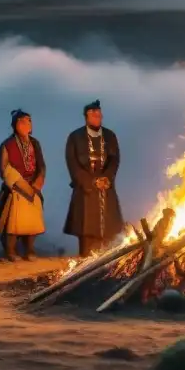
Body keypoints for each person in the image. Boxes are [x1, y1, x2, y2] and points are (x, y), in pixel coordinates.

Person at [63, 100, 124, 256]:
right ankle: (84, 266)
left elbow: (114, 159)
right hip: (86, 191)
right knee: (87, 234)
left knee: (108, 236)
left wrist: (106, 178)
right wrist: (91, 181)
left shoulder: (110, 136)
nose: (99, 117)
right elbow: (73, 164)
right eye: (95, 115)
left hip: (106, 188)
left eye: (100, 115)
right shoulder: (75, 137)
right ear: (87, 117)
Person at [0, 109, 46, 261]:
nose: (26, 124)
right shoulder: (7, 145)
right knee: (13, 223)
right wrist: (19, 183)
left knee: (32, 223)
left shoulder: (35, 143)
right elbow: (4, 168)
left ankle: (29, 249)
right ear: (15, 124)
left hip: (33, 186)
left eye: (29, 121)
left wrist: (38, 182)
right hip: (15, 188)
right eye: (22, 121)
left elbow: (41, 164)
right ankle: (10, 250)